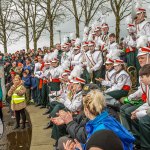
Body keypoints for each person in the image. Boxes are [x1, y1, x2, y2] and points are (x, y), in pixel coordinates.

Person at [129, 64, 150, 150]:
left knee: (144, 121)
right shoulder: (148, 86)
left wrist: (140, 113)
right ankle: (139, 141)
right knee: (133, 115)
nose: (140, 79)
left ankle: (146, 147)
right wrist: (137, 111)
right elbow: (148, 103)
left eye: (142, 77)